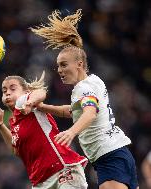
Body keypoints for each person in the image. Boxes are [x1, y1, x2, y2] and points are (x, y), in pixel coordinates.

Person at [30, 9, 139, 189]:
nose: (59, 70)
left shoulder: (83, 88)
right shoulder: (94, 81)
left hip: (109, 156)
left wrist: (71, 132)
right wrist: (42, 107)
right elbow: (73, 111)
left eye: (64, 65)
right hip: (118, 154)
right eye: (58, 66)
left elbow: (90, 113)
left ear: (79, 64)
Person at [0, 71, 88, 188]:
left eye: (12, 89)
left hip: (62, 170)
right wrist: (0, 125)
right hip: (40, 181)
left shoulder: (25, 103)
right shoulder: (14, 122)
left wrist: (30, 102)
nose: (7, 93)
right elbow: (16, 150)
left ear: (26, 92)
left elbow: (41, 92)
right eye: (4, 91)